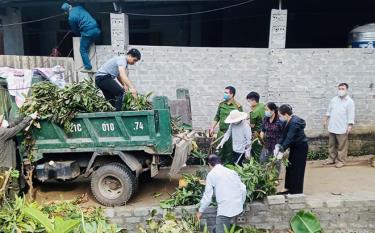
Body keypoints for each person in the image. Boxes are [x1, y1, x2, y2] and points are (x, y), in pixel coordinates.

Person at [196, 154, 246, 233]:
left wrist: (200, 211)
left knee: (221, 229)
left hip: (225, 210)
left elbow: (207, 197)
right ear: (220, 162)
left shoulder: (211, 174)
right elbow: (243, 188)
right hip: (238, 207)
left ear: (209, 164)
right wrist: (241, 203)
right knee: (220, 228)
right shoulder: (232, 172)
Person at [274, 104, 308, 194]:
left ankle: (296, 191)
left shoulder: (294, 122)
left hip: (300, 147)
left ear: (285, 114)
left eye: (280, 115)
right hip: (294, 147)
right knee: (290, 167)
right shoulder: (287, 121)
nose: (280, 117)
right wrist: (278, 145)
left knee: (297, 169)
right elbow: (283, 135)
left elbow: (289, 138)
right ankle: (288, 188)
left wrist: (282, 150)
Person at [61, 2, 101, 72]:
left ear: (66, 12)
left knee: (83, 50)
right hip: (97, 30)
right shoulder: (79, 7)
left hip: (88, 33)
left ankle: (88, 67)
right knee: (92, 44)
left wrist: (79, 34)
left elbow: (75, 29)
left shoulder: (71, 18)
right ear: (70, 5)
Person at [323, 83, 355, 168]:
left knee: (342, 146)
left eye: (343, 89)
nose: (341, 90)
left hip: (342, 127)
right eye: (339, 88)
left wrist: (350, 126)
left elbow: (351, 115)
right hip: (332, 126)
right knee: (331, 145)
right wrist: (325, 120)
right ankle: (331, 159)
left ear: (346, 90)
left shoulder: (350, 102)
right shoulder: (334, 99)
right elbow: (328, 111)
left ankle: (341, 161)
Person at [209, 86, 243, 164]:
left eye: (226, 93)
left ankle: (228, 170)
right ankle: (218, 169)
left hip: (232, 135)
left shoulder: (237, 106)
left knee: (229, 154)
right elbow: (217, 117)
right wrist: (212, 128)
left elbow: (241, 121)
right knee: (219, 152)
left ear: (232, 94)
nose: (224, 94)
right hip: (221, 132)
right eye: (224, 92)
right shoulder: (221, 105)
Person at [260, 102, 283, 172]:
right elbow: (263, 130)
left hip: (277, 145)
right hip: (267, 144)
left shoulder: (279, 121)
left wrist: (281, 146)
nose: (265, 111)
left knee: (276, 163)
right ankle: (263, 176)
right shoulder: (265, 119)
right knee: (262, 160)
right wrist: (260, 138)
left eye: (267, 110)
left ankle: (275, 178)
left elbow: (284, 134)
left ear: (273, 111)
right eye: (265, 110)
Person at [246, 92, 265, 160]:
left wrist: (247, 123)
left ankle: (257, 165)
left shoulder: (254, 112)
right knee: (261, 149)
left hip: (256, 134)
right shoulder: (262, 105)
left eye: (249, 101)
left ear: (254, 100)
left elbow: (252, 125)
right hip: (264, 132)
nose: (248, 103)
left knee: (256, 151)